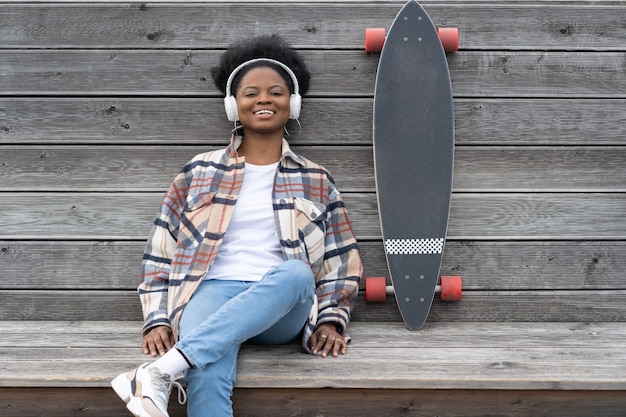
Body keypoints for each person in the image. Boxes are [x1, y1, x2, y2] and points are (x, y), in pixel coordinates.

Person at [111, 34, 363, 417]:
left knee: (296, 274)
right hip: (209, 293)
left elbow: (341, 264)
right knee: (207, 371)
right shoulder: (199, 171)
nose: (263, 99)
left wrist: (331, 320)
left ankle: (159, 372)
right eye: (251, 93)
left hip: (282, 309)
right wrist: (157, 318)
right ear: (233, 105)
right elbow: (161, 251)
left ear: (292, 104)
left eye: (276, 92)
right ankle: (173, 367)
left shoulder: (316, 179)